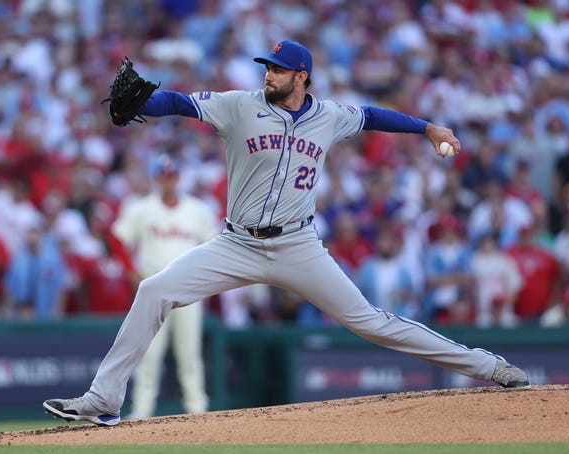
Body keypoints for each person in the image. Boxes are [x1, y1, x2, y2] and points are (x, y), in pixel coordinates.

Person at [43, 40, 530, 427]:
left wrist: (428, 128)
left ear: (302, 77)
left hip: (298, 244)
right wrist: (146, 99)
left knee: (370, 322)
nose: (268, 75)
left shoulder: (330, 116)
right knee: (154, 291)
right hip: (236, 243)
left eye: (277, 69)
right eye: (266, 68)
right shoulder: (238, 105)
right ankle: (103, 400)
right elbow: (181, 103)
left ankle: (486, 367)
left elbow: (375, 116)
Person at [111, 155, 215, 419]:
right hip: (155, 287)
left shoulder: (198, 209)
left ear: (178, 177)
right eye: (163, 176)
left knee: (189, 353)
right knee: (148, 353)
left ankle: (196, 409)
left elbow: (215, 246)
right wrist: (130, 270)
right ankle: (142, 410)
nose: (168, 181)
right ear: (156, 178)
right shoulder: (141, 208)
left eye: (171, 175)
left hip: (189, 290)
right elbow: (117, 238)